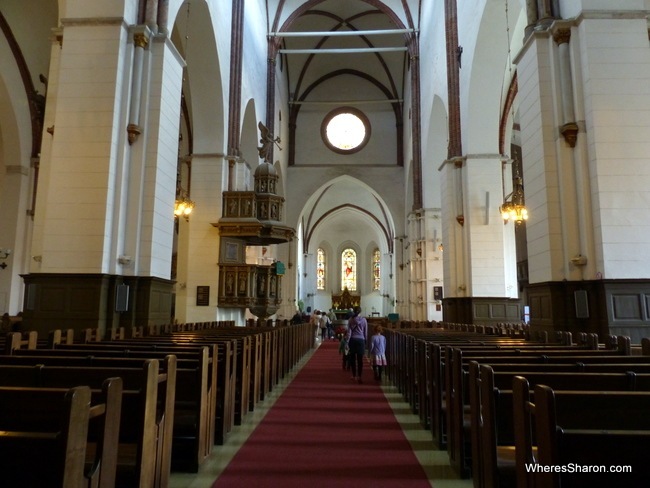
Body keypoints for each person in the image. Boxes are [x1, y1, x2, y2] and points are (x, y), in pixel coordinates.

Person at [346, 306, 368, 383]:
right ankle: (359, 376)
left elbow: (349, 332)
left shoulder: (351, 319)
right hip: (361, 340)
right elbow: (365, 332)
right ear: (360, 312)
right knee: (360, 360)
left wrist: (347, 342)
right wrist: (365, 341)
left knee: (352, 359)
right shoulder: (364, 320)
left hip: (352, 340)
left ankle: (354, 375)